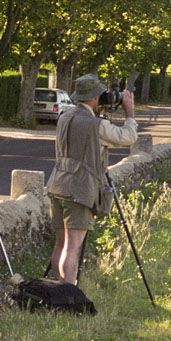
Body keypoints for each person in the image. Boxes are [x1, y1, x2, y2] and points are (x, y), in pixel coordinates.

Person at [46, 74, 138, 285]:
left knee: (60, 245)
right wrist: (129, 111)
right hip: (80, 190)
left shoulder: (64, 116)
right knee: (72, 247)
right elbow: (128, 137)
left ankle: (57, 289)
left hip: (58, 184)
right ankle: (68, 293)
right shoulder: (97, 126)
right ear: (96, 97)